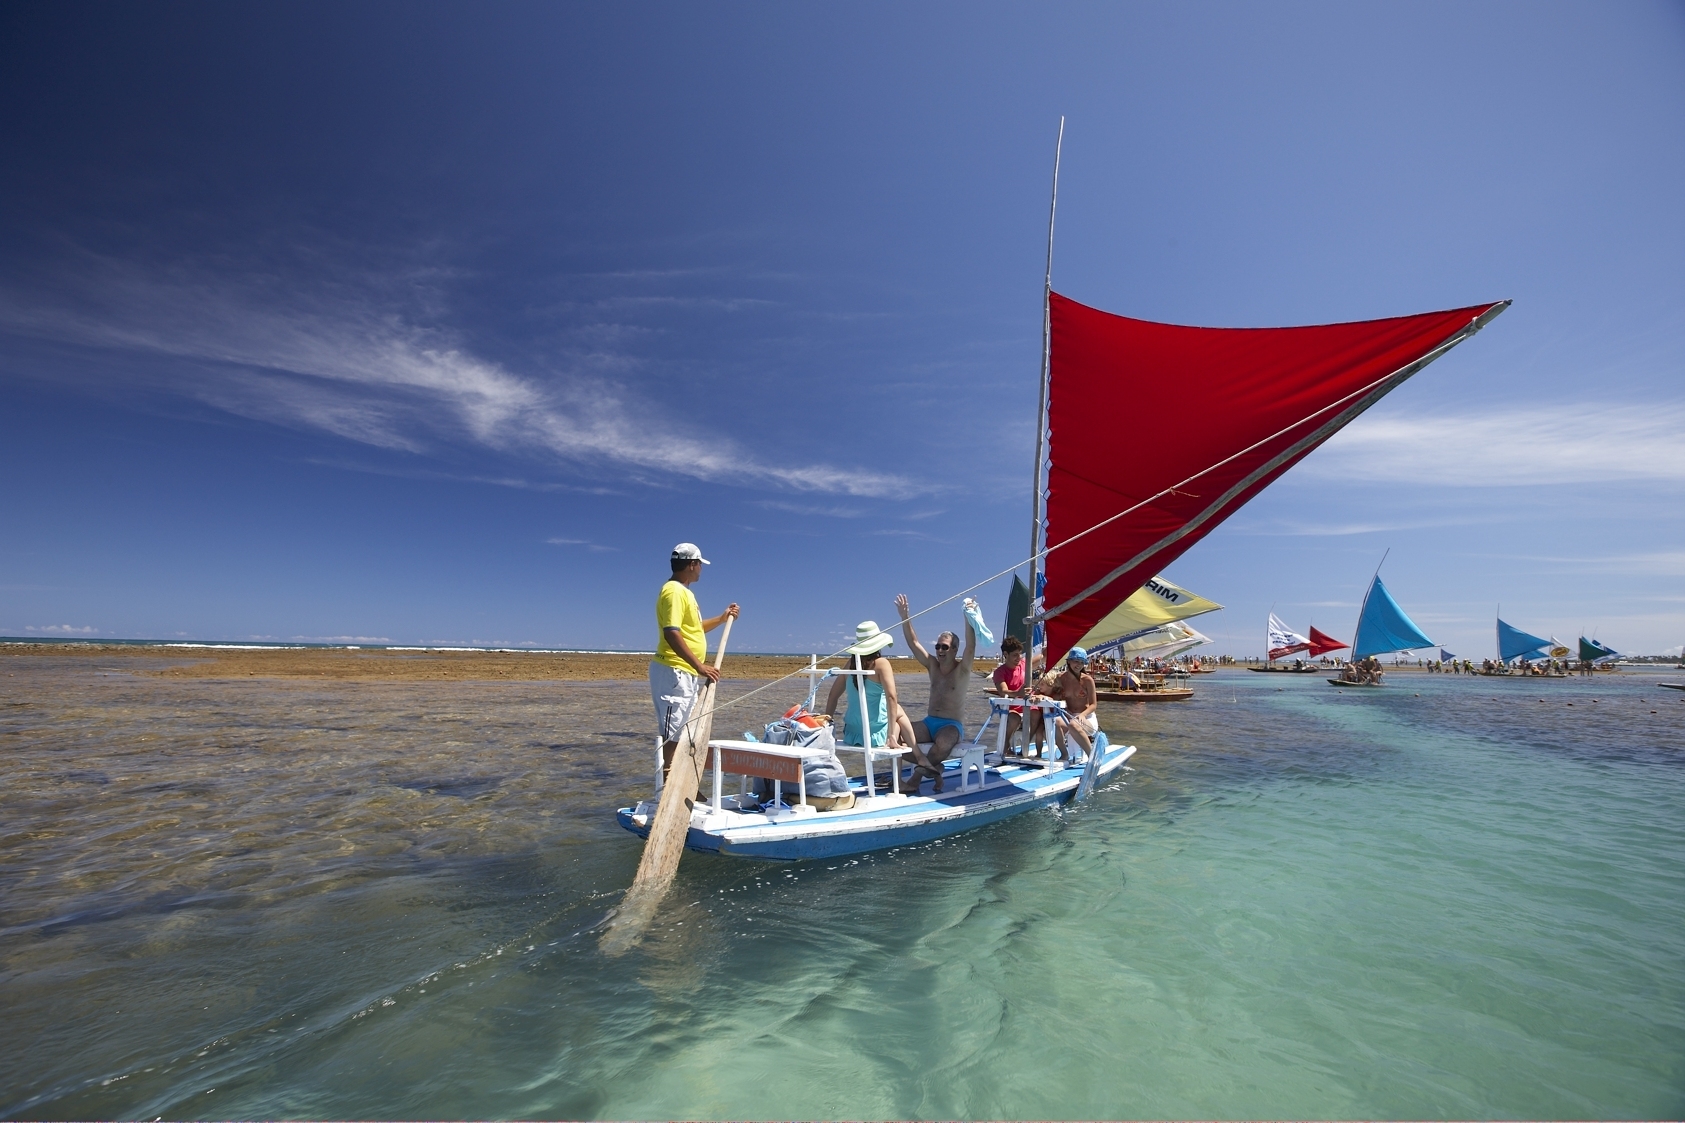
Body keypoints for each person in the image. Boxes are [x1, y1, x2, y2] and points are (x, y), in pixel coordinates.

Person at [649, 542, 739, 780]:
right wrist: (700, 667)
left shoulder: (684, 592)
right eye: (700, 565)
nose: (701, 569)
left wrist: (721, 618)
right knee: (674, 731)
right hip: (674, 671)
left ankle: (680, 781)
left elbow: (694, 630)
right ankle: (669, 783)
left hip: (684, 672)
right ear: (692, 565)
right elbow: (672, 632)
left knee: (685, 728)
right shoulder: (674, 591)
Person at [823, 621, 924, 790]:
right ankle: (914, 762)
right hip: (874, 736)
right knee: (897, 715)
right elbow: (892, 697)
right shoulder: (881, 663)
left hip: (852, 734)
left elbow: (833, 695)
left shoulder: (850, 664)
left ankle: (918, 755)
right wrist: (891, 734)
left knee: (896, 712)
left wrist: (826, 727)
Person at [894, 593, 976, 792]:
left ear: (955, 649)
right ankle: (934, 768)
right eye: (938, 646)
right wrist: (905, 616)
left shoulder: (962, 670)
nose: (940, 650)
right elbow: (914, 643)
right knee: (895, 738)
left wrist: (968, 616)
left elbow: (971, 645)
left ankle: (915, 779)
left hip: (950, 725)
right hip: (929, 722)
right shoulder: (932, 665)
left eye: (944, 647)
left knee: (942, 744)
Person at [1042, 647, 1099, 762]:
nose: (1078, 665)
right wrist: (1038, 695)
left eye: (1082, 662)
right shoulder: (1060, 678)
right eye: (1076, 661)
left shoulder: (1088, 680)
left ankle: (1092, 757)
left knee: (1074, 724)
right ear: (1069, 661)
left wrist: (1082, 715)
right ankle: (1064, 754)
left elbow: (1093, 705)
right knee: (1054, 722)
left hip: (1087, 718)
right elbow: (1046, 689)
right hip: (1068, 716)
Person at [988, 635, 1028, 752]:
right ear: (1005, 654)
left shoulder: (1024, 664)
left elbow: (1043, 657)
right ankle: (1005, 744)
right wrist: (1018, 693)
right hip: (1011, 709)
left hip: (1028, 708)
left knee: (1039, 715)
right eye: (1015, 655)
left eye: (1020, 654)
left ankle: (1026, 751)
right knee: (1014, 718)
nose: (1019, 658)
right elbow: (1003, 691)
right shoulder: (999, 672)